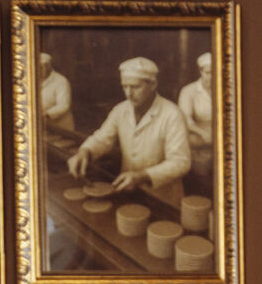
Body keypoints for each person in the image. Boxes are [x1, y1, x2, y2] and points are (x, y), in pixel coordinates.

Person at [67, 56, 189, 207]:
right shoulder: (121, 110)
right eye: (125, 86)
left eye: (135, 87)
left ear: (153, 85)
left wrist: (143, 176)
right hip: (129, 190)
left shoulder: (172, 114)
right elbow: (102, 138)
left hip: (162, 197)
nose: (129, 93)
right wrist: (85, 151)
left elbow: (180, 162)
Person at [179, 52, 215, 192]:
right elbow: (185, 119)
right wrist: (202, 133)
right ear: (201, 71)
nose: (212, 76)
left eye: (215, 72)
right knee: (203, 181)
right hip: (200, 139)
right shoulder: (189, 91)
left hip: (221, 137)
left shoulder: (227, 87)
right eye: (208, 73)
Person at [37, 52, 73, 134]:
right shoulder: (33, 80)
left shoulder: (61, 81)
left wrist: (46, 115)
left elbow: (64, 105)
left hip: (61, 127)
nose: (41, 70)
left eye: (43, 67)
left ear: (49, 66)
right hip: (43, 127)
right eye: (39, 67)